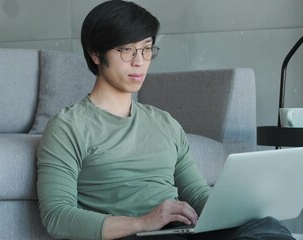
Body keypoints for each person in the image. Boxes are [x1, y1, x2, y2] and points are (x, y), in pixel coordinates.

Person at [36, 1, 295, 239]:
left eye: (147, 49)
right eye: (127, 50)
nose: (140, 62)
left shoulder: (164, 123)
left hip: (180, 231)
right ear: (95, 54)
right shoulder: (68, 127)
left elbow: (197, 193)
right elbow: (57, 216)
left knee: (267, 226)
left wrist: (240, 210)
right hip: (132, 234)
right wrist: (143, 222)